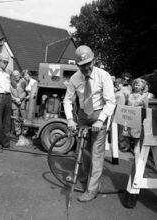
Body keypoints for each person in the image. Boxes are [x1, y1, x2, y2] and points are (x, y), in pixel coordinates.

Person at [63, 45, 116, 202]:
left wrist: (101, 120)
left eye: (89, 63)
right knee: (83, 150)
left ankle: (92, 190)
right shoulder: (74, 79)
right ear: (77, 65)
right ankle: (84, 176)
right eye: (82, 65)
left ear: (94, 60)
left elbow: (111, 101)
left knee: (96, 153)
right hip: (82, 116)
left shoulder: (103, 76)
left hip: (99, 114)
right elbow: (67, 100)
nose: (87, 68)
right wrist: (70, 119)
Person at [122, 78, 149, 153]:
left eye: (138, 85)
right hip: (129, 116)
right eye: (135, 85)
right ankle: (127, 146)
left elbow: (146, 108)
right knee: (126, 132)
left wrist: (144, 119)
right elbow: (125, 104)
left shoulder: (144, 96)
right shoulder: (129, 95)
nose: (136, 86)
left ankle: (136, 147)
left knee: (136, 133)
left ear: (142, 87)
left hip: (138, 117)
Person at [10, 70, 27, 136]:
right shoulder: (10, 83)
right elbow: (10, 93)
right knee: (15, 117)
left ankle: (25, 131)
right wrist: (15, 99)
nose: (16, 77)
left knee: (24, 116)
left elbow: (26, 92)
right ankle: (18, 131)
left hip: (22, 101)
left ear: (19, 75)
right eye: (14, 75)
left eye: (17, 75)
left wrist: (20, 98)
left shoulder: (23, 82)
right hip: (14, 102)